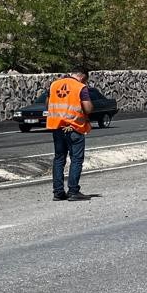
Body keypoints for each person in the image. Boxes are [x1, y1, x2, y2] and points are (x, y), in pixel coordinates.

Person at [44, 65, 93, 201]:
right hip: (73, 127)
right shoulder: (80, 87)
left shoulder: (54, 85)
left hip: (57, 127)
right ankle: (73, 191)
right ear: (82, 76)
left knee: (59, 159)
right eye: (85, 80)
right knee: (76, 159)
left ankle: (58, 192)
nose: (85, 83)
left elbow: (47, 104)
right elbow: (88, 108)